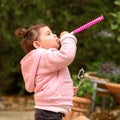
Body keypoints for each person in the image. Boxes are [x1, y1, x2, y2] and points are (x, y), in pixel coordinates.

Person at [15, 23, 77, 120]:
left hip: (48, 112)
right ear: (37, 44)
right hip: (50, 114)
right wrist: (68, 38)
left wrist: (67, 89)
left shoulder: (45, 59)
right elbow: (67, 56)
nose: (54, 35)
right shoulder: (43, 56)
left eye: (52, 32)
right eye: (48, 34)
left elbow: (51, 81)